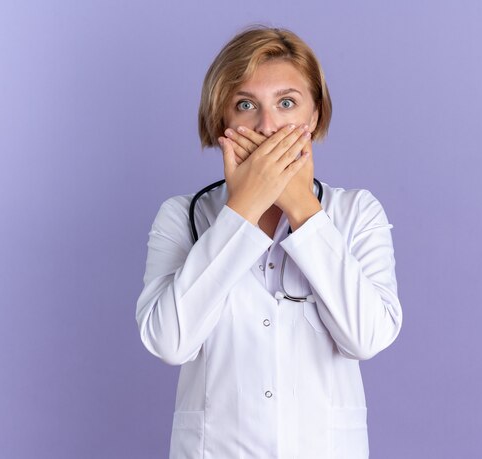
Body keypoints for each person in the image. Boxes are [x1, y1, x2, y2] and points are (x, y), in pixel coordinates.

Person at [136, 24, 402, 459]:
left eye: (286, 103)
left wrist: (303, 210)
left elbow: (367, 338)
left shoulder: (356, 213)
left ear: (314, 116)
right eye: (246, 105)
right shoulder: (183, 217)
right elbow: (169, 342)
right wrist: (243, 210)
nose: (268, 125)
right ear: (223, 120)